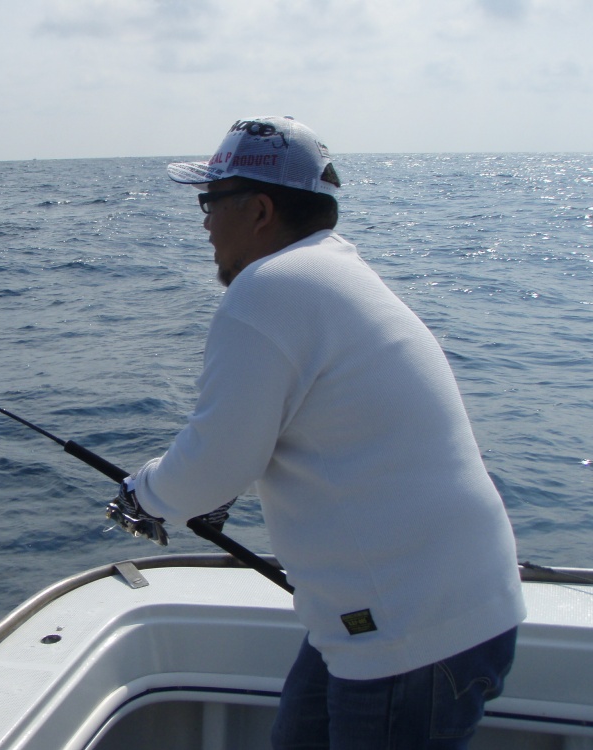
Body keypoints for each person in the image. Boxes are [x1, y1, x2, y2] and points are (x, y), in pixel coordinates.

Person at [105, 116, 526, 749]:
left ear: (260, 210)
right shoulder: (331, 270)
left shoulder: (268, 288)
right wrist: (200, 490)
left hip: (408, 629)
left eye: (211, 201)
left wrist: (144, 496)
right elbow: (296, 434)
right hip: (436, 605)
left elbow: (217, 462)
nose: (204, 223)